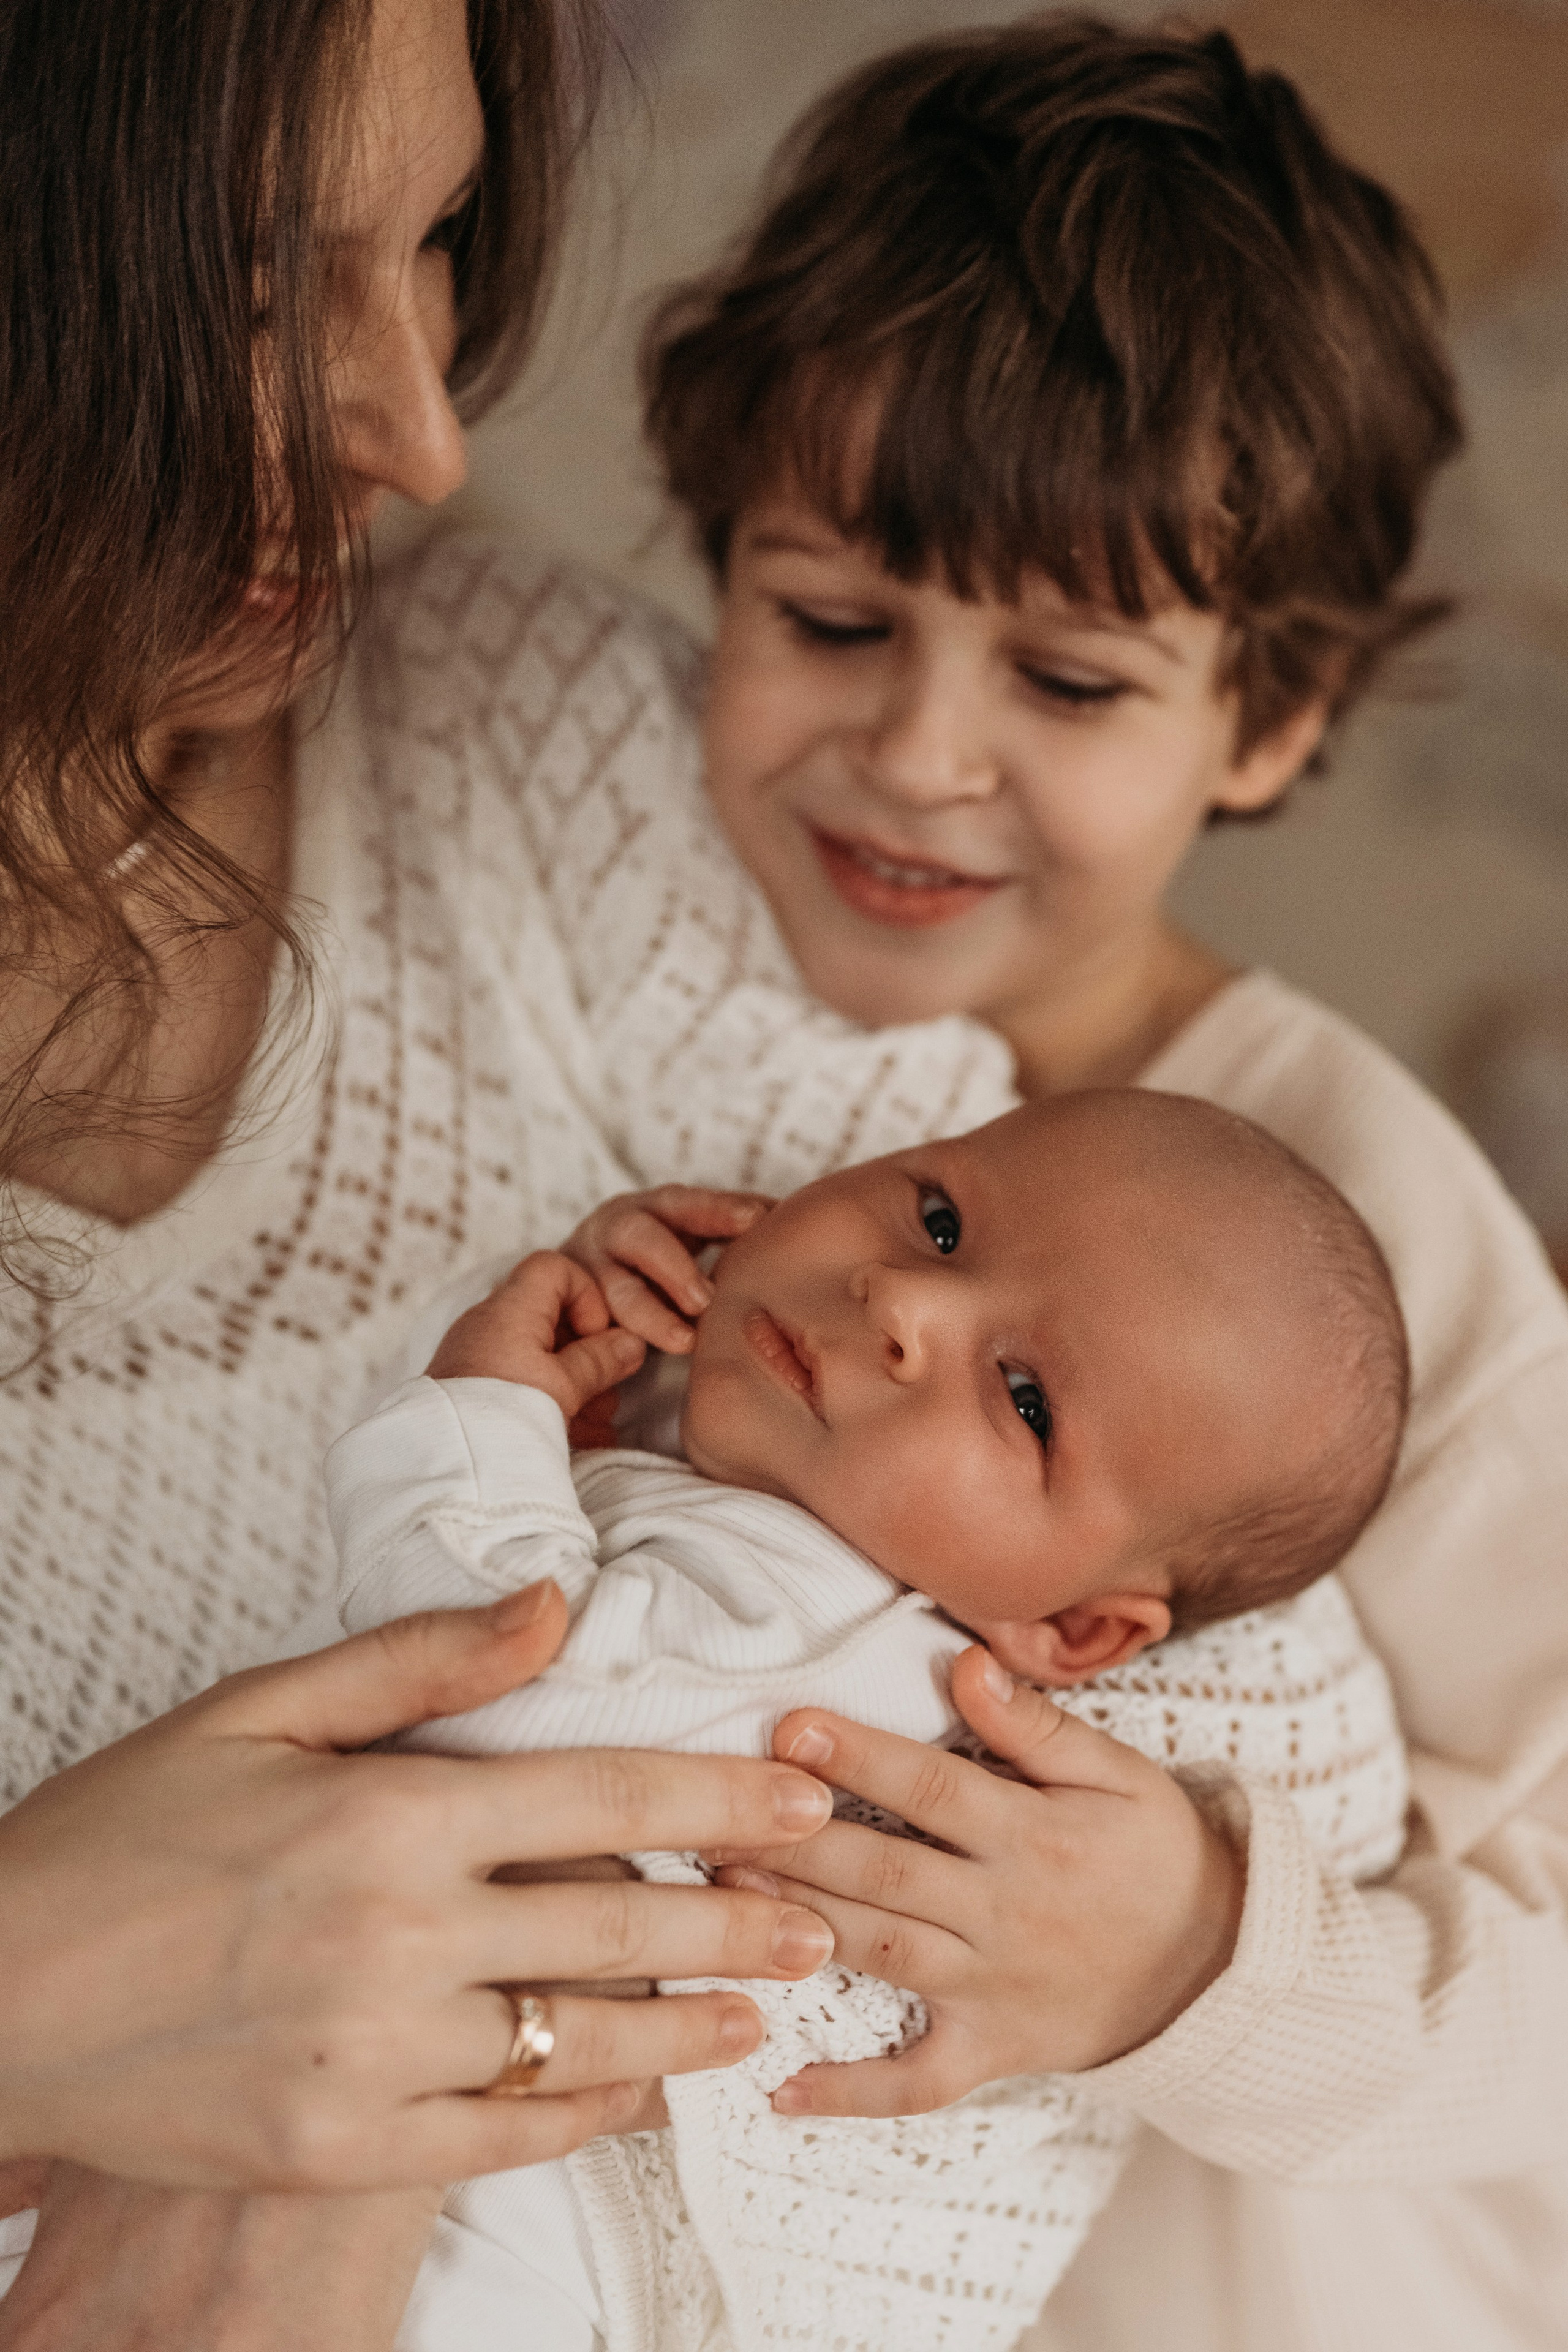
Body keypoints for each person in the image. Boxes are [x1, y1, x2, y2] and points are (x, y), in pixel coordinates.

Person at [0, 4, 849, 2343]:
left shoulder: (540, 737)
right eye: (250, 287)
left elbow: (1205, 1515)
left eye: (440, 236)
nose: (425, 436)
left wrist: (1202, 1952)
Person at [328, 1089, 1412, 2350]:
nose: (903, 1303)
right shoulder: (771, 1474)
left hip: (499, 2244)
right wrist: (587, 1330)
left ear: (1069, 1633)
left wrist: (484, 1411)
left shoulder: (821, 1611)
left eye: (1025, 1400)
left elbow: (486, 1704)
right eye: (939, 1219)